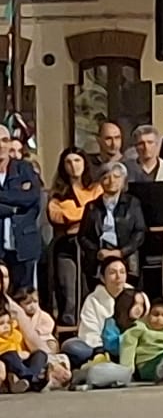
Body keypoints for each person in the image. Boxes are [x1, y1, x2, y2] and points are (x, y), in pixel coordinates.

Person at [45, 147, 98, 326]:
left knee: (90, 288)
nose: (73, 166)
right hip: (66, 245)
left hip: (91, 244)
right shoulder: (57, 195)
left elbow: (96, 213)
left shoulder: (95, 188)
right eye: (68, 162)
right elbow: (57, 216)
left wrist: (76, 215)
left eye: (77, 161)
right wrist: (83, 214)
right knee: (69, 291)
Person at [80, 163, 147, 292]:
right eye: (106, 177)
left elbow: (139, 232)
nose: (112, 181)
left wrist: (122, 252)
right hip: (100, 255)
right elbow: (83, 236)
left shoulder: (133, 203)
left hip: (126, 255)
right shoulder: (92, 207)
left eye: (116, 177)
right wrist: (97, 252)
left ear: (123, 181)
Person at [0, 136, 45, 295]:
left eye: (4, 140)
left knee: (24, 297)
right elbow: (22, 200)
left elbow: (32, 198)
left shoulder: (24, 169)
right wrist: (15, 206)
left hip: (23, 245)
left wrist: (3, 198)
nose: (1, 145)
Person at [121, 300, 163, 382]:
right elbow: (128, 348)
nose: (159, 318)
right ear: (148, 315)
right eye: (155, 314)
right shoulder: (139, 329)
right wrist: (127, 373)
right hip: (147, 365)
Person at [0, 301, 49, 392]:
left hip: (23, 360)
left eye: (8, 323)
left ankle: (30, 377)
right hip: (9, 362)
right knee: (10, 355)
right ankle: (32, 379)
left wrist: (25, 354)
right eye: (1, 324)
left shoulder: (16, 333)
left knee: (40, 354)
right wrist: (18, 354)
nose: (6, 327)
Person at [89, 119, 125, 187]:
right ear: (98, 140)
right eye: (108, 139)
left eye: (117, 138)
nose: (114, 143)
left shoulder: (130, 164)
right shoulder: (89, 165)